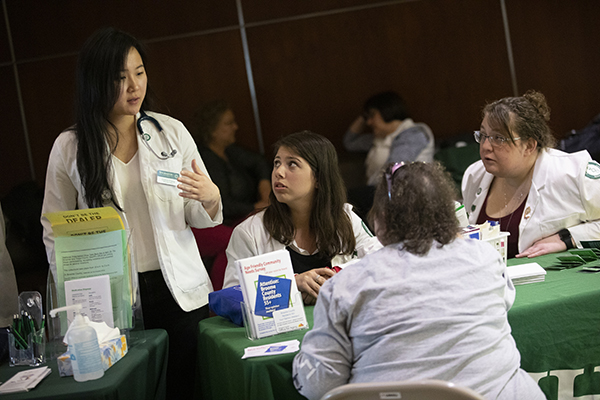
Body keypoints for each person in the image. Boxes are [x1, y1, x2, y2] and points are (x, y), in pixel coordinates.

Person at [40, 27, 222, 397]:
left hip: (179, 290)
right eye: (120, 78)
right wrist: (73, 290)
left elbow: (197, 211)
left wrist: (211, 197)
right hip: (113, 295)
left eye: (139, 73)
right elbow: (53, 227)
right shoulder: (70, 146)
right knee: (132, 389)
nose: (134, 86)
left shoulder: (170, 131)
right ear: (96, 82)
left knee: (188, 386)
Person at [292, 162, 545, 400]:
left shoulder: (344, 286)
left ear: (379, 220)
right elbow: (504, 303)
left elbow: (318, 385)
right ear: (448, 212)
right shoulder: (486, 258)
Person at [222, 131, 381, 304]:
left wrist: (335, 276)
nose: (278, 172)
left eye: (292, 164)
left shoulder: (346, 218)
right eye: (276, 163)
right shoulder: (249, 232)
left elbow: (379, 261)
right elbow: (230, 299)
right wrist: (292, 285)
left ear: (319, 178)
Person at [462, 90, 600, 259]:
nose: (485, 147)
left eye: (498, 138)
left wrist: (567, 238)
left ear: (529, 146)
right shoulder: (474, 175)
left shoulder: (573, 173)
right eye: (483, 135)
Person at [191, 100, 271, 290]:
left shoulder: (231, 152)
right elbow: (223, 203)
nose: (235, 127)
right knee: (234, 240)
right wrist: (255, 207)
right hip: (206, 222)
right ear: (212, 130)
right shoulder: (205, 158)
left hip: (234, 218)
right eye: (228, 123)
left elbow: (260, 162)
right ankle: (222, 296)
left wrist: (264, 185)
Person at [343, 91, 435, 219]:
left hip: (406, 192)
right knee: (344, 199)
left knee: (348, 198)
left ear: (387, 111)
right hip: (381, 191)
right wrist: (363, 117)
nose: (369, 122)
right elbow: (349, 142)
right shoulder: (379, 138)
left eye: (372, 115)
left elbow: (394, 169)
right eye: (367, 117)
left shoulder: (414, 133)